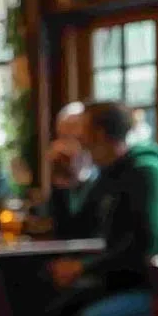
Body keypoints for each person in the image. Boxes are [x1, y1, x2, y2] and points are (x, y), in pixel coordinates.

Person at [45, 102, 158, 316]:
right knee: (50, 309)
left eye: (83, 131)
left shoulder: (147, 172)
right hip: (121, 280)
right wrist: (63, 180)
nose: (78, 140)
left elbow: (144, 248)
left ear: (99, 135)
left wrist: (82, 268)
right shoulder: (109, 174)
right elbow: (74, 227)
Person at [48, 102, 103, 239]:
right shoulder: (62, 171)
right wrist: (63, 182)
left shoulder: (105, 170)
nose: (70, 145)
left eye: (77, 137)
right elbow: (61, 230)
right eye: (65, 137)